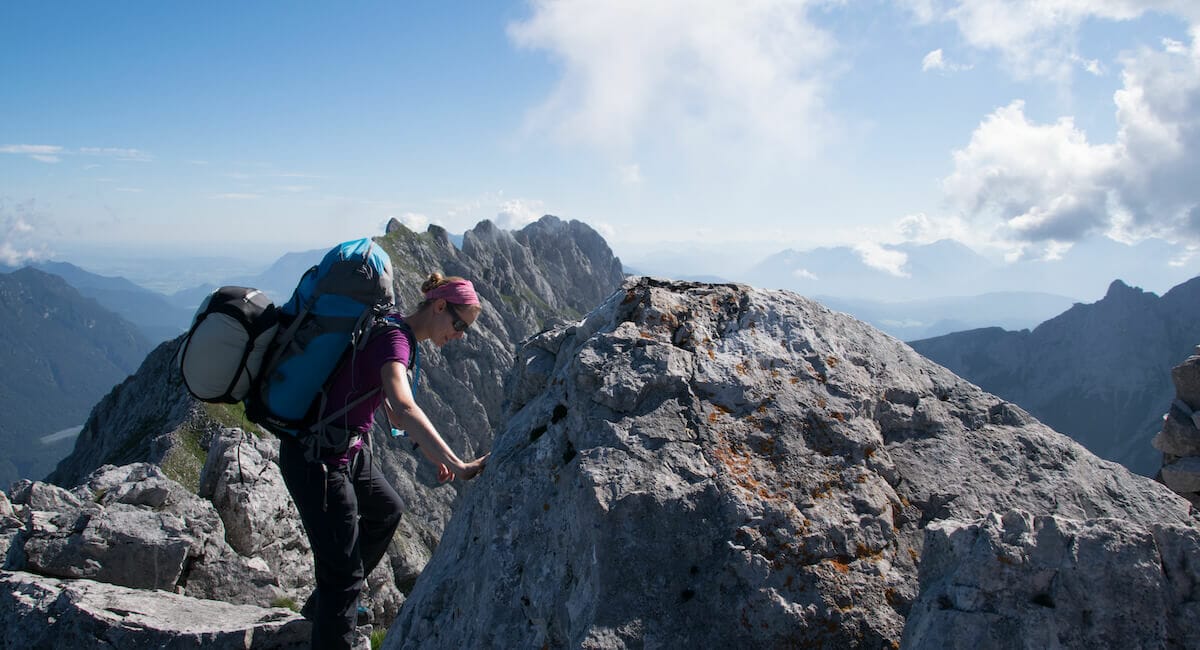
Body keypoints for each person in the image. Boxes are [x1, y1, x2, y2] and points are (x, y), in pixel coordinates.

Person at [277, 272, 489, 649]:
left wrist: (430, 450)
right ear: (440, 306)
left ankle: (322, 609)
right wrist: (458, 464)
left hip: (343, 448)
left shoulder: (394, 327)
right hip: (318, 458)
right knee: (343, 576)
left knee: (387, 509)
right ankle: (335, 607)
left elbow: (392, 411)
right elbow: (404, 406)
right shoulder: (395, 339)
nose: (459, 335)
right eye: (460, 325)